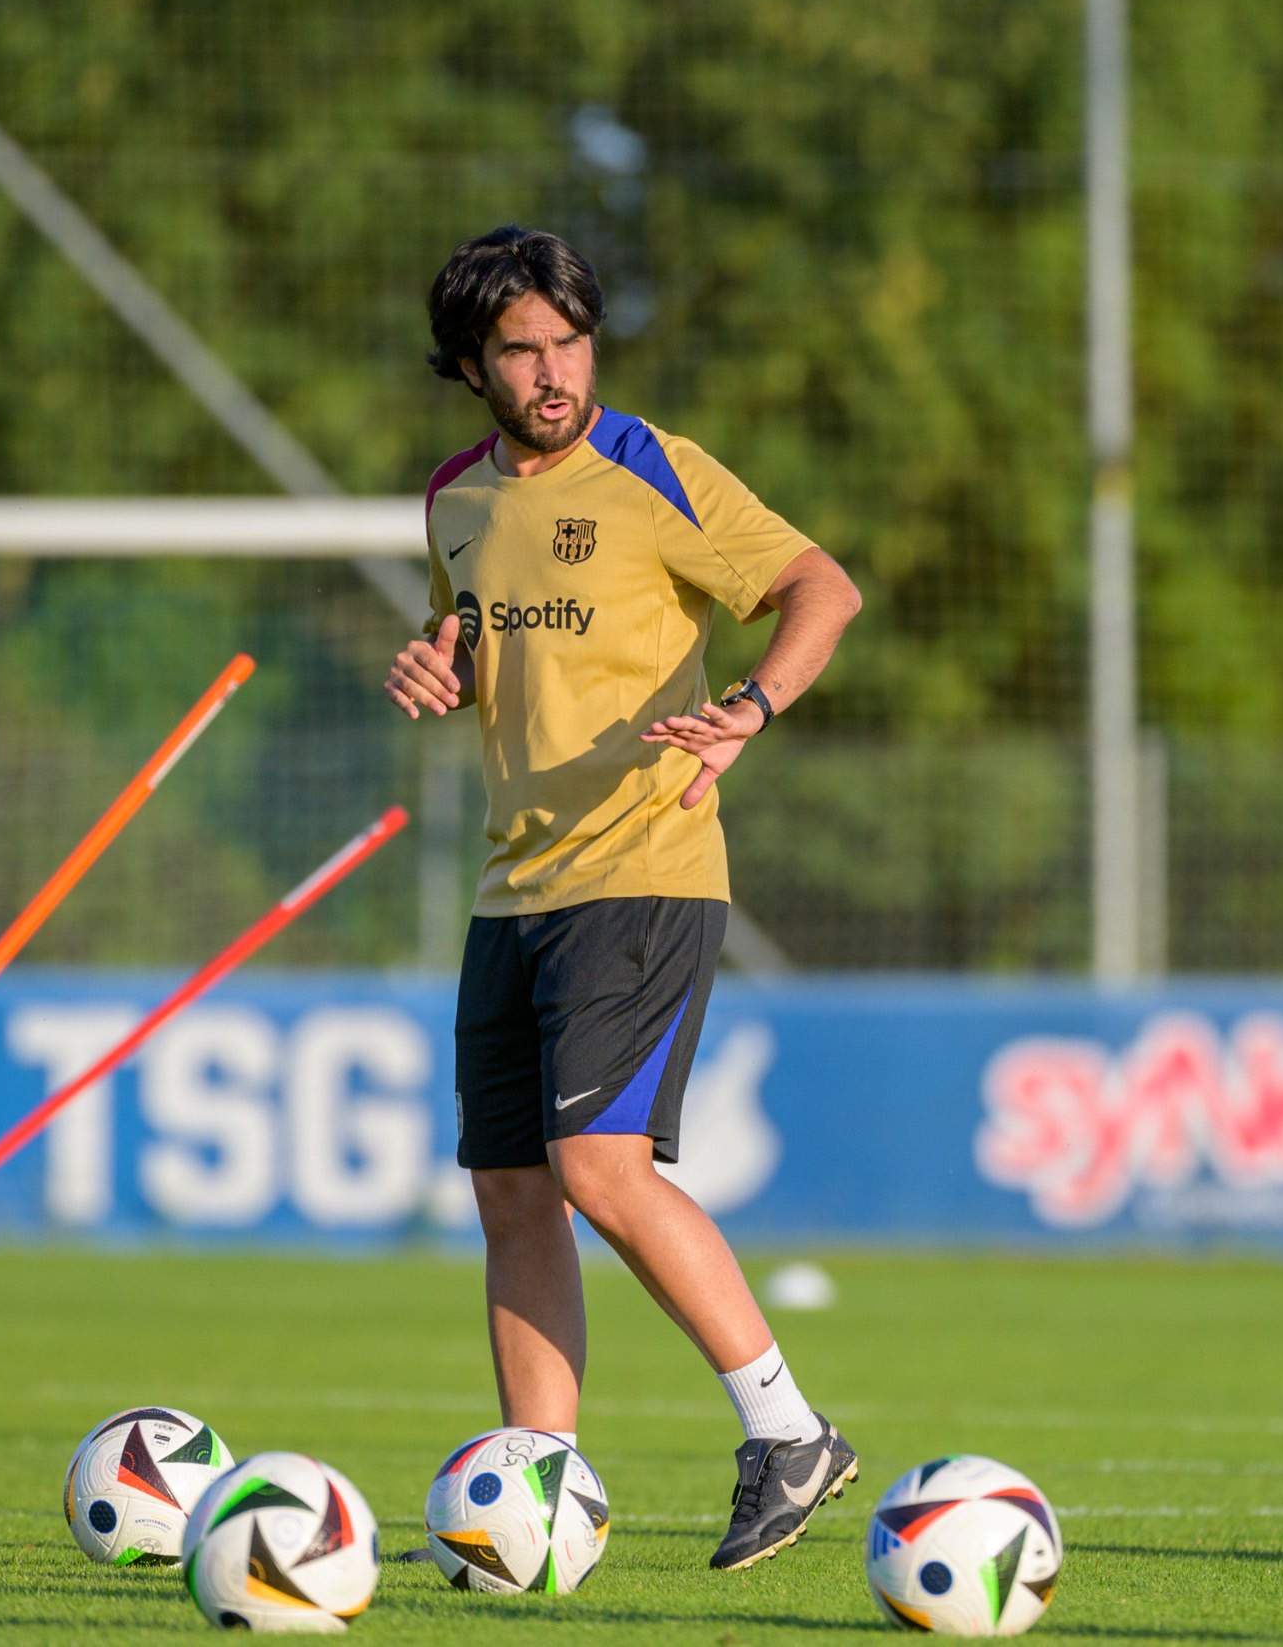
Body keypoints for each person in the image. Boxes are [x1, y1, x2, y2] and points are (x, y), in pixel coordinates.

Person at [384, 225, 864, 1570]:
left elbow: (822, 586)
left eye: (569, 341)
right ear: (470, 367)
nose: (553, 370)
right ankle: (532, 1495)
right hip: (511, 887)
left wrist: (752, 706)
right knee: (511, 1194)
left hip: (645, 868)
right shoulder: (453, 503)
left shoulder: (653, 466)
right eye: (521, 350)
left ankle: (788, 1432)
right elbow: (483, 648)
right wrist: (440, 667)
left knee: (599, 1168)